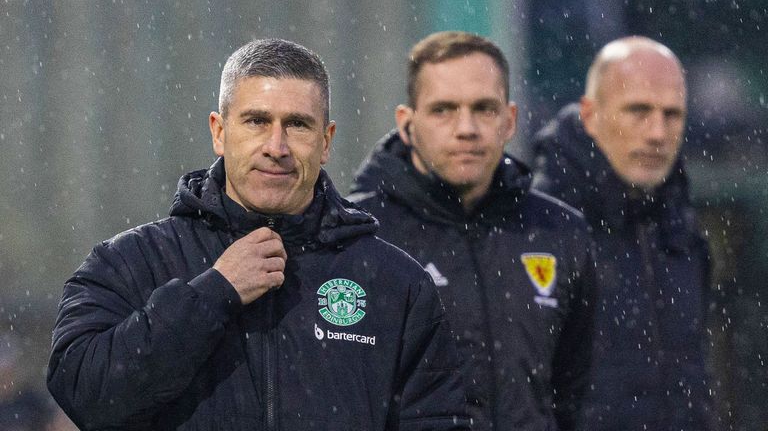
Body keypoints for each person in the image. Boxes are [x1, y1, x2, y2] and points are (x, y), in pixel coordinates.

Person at [47, 38, 472, 430]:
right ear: (219, 131)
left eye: (298, 125)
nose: (276, 146)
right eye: (256, 121)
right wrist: (212, 294)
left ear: (326, 142)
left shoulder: (396, 282)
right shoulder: (129, 262)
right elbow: (86, 395)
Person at [348, 31, 595, 431]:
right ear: (407, 125)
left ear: (509, 120)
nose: (467, 128)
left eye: (484, 109)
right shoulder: (360, 235)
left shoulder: (559, 231)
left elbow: (574, 393)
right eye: (444, 110)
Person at [527, 36, 716, 430]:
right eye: (638, 110)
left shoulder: (681, 231)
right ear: (590, 115)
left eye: (672, 114)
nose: (657, 133)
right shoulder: (536, 231)